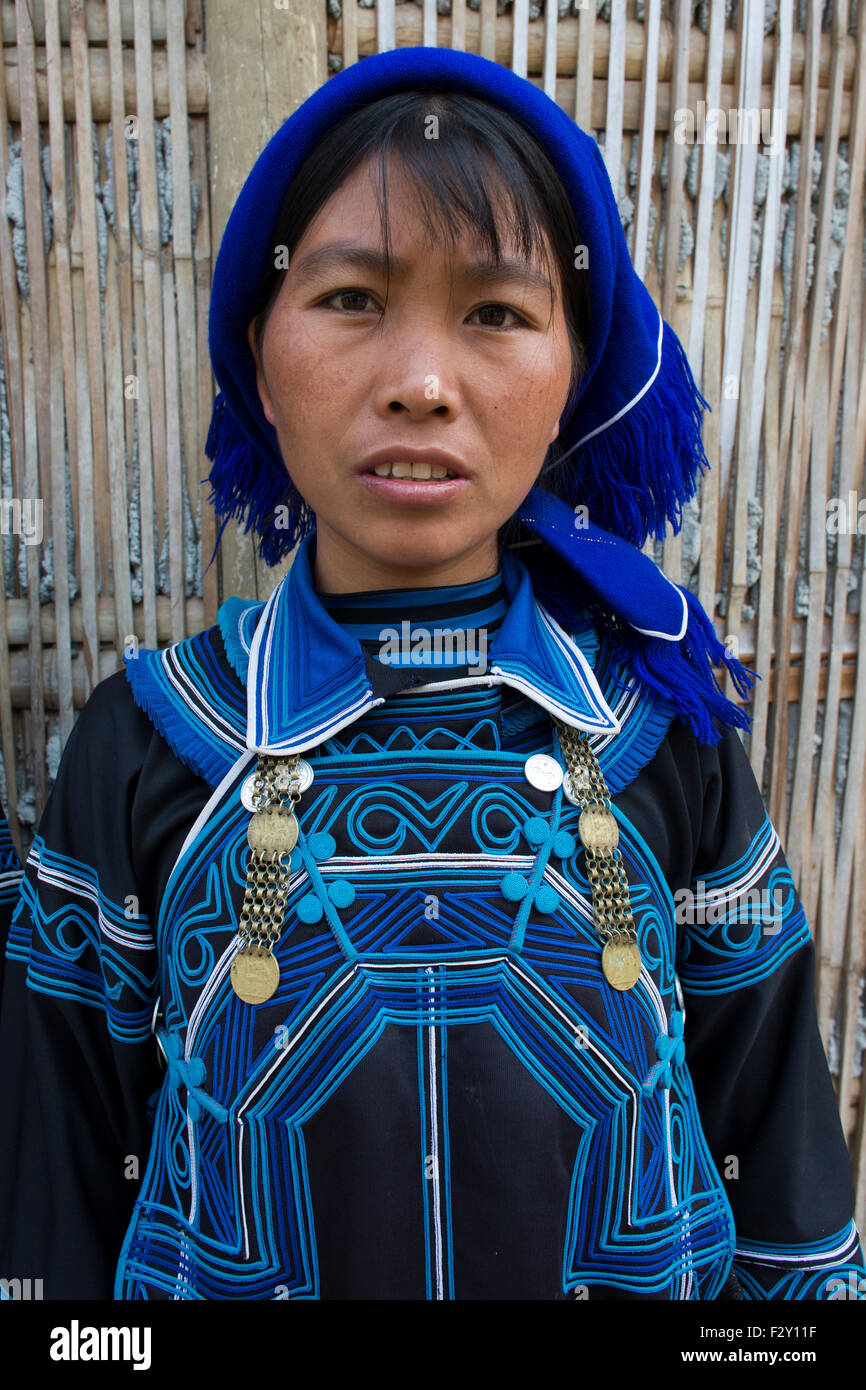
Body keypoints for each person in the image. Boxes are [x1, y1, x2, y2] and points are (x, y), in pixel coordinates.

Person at [0, 45, 862, 1302]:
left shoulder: (657, 732)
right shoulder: (147, 742)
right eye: (351, 299)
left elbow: (786, 1198)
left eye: (498, 314)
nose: (418, 383)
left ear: (569, 378)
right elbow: (55, 1212)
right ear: (258, 351)